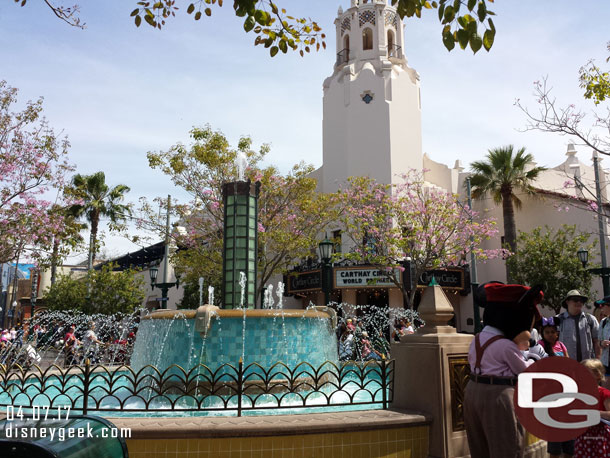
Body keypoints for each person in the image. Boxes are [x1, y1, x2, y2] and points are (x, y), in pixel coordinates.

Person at [464, 282, 544, 458]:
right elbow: (524, 371)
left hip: (473, 391)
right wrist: (533, 359)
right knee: (507, 448)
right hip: (499, 395)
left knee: (479, 448)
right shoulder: (505, 345)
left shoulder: (476, 339)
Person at [537, 316, 573, 458]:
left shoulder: (561, 345)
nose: (551, 335)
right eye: (547, 332)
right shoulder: (539, 346)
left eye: (553, 332)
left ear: (557, 333)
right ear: (542, 334)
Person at [573, 359, 610, 457]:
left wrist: (596, 413)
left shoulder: (604, 393)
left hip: (600, 434)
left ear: (597, 375)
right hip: (583, 434)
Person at [557, 290, 600, 362]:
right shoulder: (558, 320)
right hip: (566, 364)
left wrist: (597, 360)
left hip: (587, 364)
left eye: (581, 301)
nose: (579, 302)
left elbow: (597, 341)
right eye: (575, 300)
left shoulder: (590, 319)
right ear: (567, 302)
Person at [597, 295, 610, 377]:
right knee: (606, 389)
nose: (600, 308)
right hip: (606, 363)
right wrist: (602, 343)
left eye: (602, 305)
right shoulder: (603, 322)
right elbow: (599, 342)